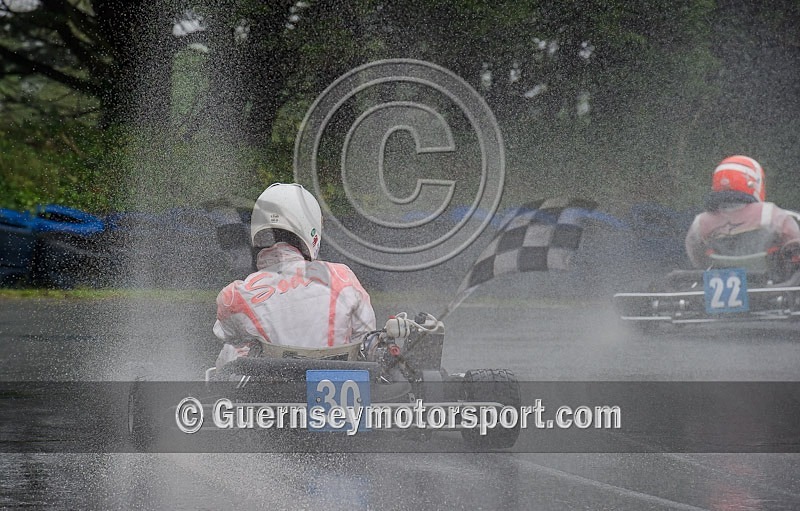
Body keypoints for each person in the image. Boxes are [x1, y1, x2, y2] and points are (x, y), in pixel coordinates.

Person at [212, 183, 376, 368]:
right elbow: (366, 339)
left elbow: (225, 333)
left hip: (271, 392)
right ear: (310, 228)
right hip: (339, 387)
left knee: (231, 350)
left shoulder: (235, 296)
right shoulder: (343, 277)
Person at [684, 155, 800, 275]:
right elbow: (795, 249)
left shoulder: (700, 222)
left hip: (717, 287)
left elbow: (698, 261)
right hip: (769, 286)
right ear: (752, 183)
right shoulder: (771, 214)